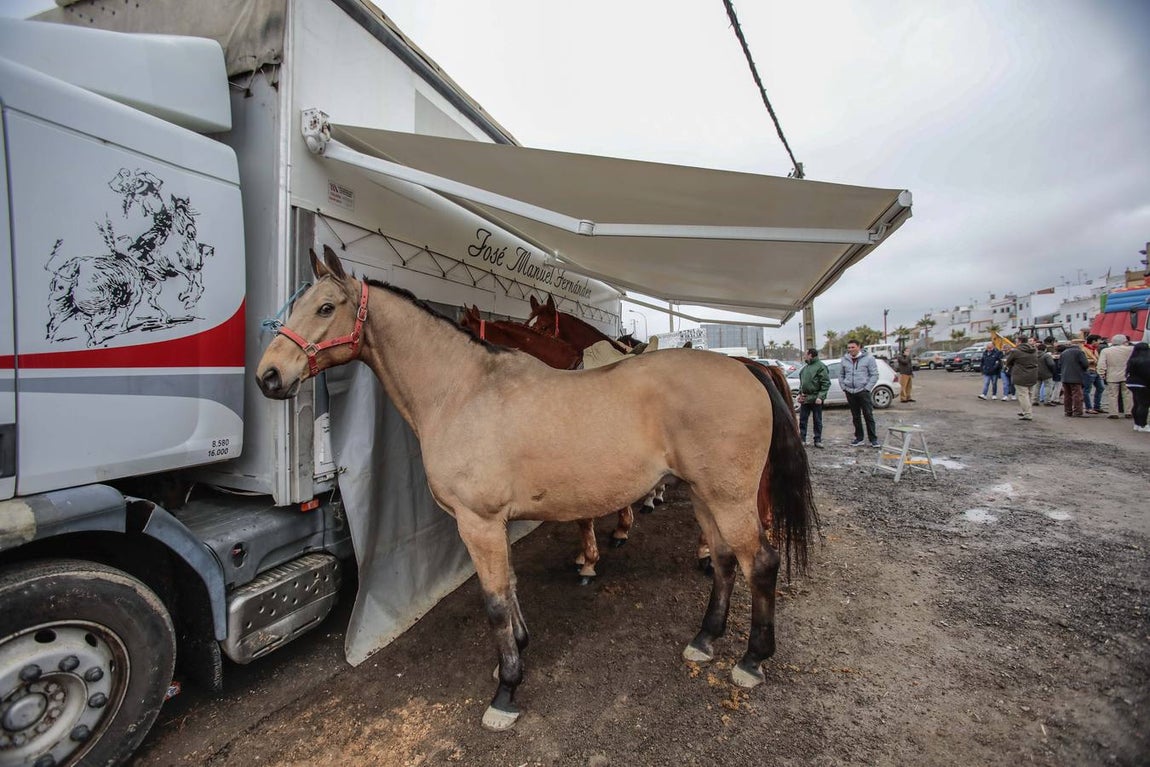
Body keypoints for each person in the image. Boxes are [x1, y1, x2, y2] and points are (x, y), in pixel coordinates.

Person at [840, 338, 881, 447]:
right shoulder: (845, 360)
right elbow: (841, 374)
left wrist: (867, 388)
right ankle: (859, 438)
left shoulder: (869, 359)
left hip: (863, 391)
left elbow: (874, 374)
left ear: (859, 347)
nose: (850, 349)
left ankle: (873, 439)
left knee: (868, 415)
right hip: (850, 391)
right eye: (849, 348)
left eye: (853, 347)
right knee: (856, 416)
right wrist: (844, 386)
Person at [797, 348, 830, 448]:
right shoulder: (805, 368)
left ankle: (817, 440)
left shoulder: (821, 367)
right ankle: (802, 439)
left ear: (810, 355)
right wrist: (800, 393)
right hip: (805, 398)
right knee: (803, 420)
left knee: (817, 420)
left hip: (816, 399)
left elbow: (825, 383)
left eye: (805, 354)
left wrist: (821, 396)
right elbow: (802, 383)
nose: (804, 356)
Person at [1097, 334, 1133, 419]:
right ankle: (1129, 412)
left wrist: (1101, 373)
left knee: (1112, 395)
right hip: (1127, 375)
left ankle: (1113, 413)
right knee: (1128, 394)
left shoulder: (1106, 351)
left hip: (1112, 375)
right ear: (1124, 341)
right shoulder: (1130, 349)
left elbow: (1101, 363)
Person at [1003, 338, 1040, 421]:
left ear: (1019, 342)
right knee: (1029, 394)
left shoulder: (1016, 352)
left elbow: (1008, 362)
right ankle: (1026, 411)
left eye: (1016, 341)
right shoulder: (1034, 350)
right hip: (1033, 374)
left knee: (1023, 395)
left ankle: (1027, 413)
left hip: (1020, 374)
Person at [1060, 339, 1090, 417]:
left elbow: (1060, 364)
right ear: (1079, 344)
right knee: (1077, 395)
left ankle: (1068, 411)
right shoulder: (1079, 352)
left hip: (1065, 376)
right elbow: (1085, 364)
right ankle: (1077, 411)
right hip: (1076, 376)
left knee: (1067, 395)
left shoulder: (1064, 352)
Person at [1125, 342, 1150, 432]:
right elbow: (1147, 375)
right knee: (1144, 405)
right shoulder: (1147, 360)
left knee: (1137, 403)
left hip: (1131, 383)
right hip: (1143, 384)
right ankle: (1143, 425)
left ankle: (1137, 424)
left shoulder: (1133, 359)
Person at [1083, 334, 1105, 413]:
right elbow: (1083, 360)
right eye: (1098, 340)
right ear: (1093, 341)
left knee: (1101, 387)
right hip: (1089, 370)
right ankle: (1088, 407)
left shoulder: (1094, 349)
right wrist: (1093, 361)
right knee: (1087, 390)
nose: (1100, 342)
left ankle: (1097, 406)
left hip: (1096, 370)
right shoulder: (1084, 349)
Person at [1035, 340, 1054, 404]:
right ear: (1045, 349)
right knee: (1048, 387)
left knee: (1036, 387)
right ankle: (1047, 400)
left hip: (1036, 373)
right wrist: (1052, 371)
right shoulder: (1047, 355)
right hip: (1047, 373)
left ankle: (1035, 400)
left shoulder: (1034, 355)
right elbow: (1051, 364)